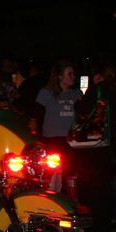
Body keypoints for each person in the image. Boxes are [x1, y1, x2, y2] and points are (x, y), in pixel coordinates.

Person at [73, 62, 116, 232]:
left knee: (89, 187)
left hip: (92, 146)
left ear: (98, 75)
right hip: (111, 144)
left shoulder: (96, 90)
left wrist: (79, 103)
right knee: (105, 188)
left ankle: (92, 227)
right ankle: (105, 226)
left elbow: (83, 109)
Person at [35, 60, 83, 193]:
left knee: (69, 173)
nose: (74, 77)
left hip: (71, 140)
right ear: (60, 76)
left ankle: (69, 201)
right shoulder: (46, 92)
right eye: (70, 74)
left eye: (74, 74)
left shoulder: (77, 94)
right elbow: (37, 115)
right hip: (52, 138)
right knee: (50, 173)